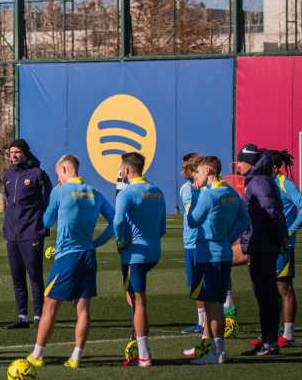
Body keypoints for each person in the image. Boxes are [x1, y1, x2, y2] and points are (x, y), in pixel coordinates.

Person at [25, 154, 114, 370]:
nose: (58, 179)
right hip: (88, 255)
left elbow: (46, 221)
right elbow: (115, 221)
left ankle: (37, 354)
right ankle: (76, 357)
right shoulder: (94, 192)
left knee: (49, 306)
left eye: (58, 174)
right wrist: (96, 242)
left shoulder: (60, 191)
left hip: (67, 256)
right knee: (83, 309)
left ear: (65, 169)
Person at [185, 156, 250, 365]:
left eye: (199, 171)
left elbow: (192, 221)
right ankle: (217, 351)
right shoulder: (230, 192)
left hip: (209, 255)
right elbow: (245, 221)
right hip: (224, 253)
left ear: (209, 171)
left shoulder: (208, 195)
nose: (196, 176)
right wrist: (229, 238)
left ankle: (218, 352)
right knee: (218, 305)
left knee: (212, 306)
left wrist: (195, 196)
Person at [113, 151, 166, 367]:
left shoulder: (126, 193)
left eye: (121, 168)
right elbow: (162, 228)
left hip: (134, 254)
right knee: (134, 297)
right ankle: (136, 337)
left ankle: (144, 354)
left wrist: (120, 242)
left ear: (127, 170)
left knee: (139, 301)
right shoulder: (157, 192)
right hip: (154, 251)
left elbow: (117, 221)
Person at [234, 143, 288, 356]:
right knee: (264, 294)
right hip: (260, 243)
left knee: (266, 294)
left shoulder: (259, 182)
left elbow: (271, 211)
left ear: (250, 162)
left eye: (241, 160)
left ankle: (270, 342)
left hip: (263, 245)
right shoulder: (258, 180)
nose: (238, 164)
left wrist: (279, 237)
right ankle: (268, 339)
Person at [2, 138, 52, 330]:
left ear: (25, 153)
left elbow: (48, 202)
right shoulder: (8, 174)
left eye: (17, 152)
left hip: (31, 233)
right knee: (17, 276)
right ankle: (22, 316)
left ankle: (39, 315)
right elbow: (9, 202)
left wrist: (41, 226)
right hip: (12, 234)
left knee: (35, 276)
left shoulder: (38, 174)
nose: (13, 156)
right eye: (11, 153)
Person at [267, 149, 302, 348]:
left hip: (283, 246)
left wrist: (290, 231)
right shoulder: (267, 183)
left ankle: (288, 335)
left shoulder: (285, 183)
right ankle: (272, 333)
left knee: (284, 288)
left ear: (276, 167)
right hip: (268, 245)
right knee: (271, 290)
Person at [177, 153, 206, 337]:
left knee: (198, 284)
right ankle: (206, 321)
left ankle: (203, 323)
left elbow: (193, 217)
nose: (182, 171)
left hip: (195, 242)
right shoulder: (192, 187)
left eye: (185, 167)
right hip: (194, 241)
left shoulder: (190, 189)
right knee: (200, 283)